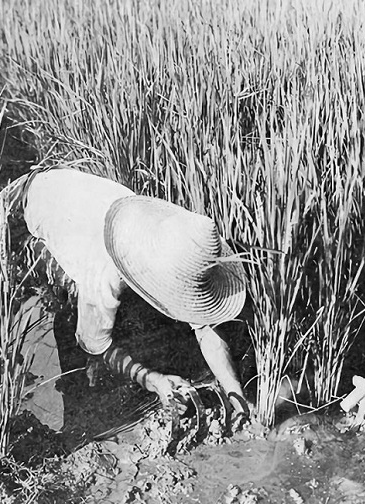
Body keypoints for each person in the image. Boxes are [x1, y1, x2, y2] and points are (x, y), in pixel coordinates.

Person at [22, 167, 251, 415]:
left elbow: (204, 325)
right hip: (31, 206)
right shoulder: (102, 273)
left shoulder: (172, 236)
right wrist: (152, 379)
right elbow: (95, 344)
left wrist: (234, 392)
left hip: (75, 191)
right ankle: (76, 402)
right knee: (69, 315)